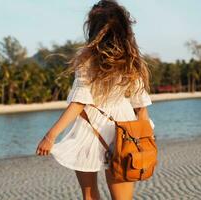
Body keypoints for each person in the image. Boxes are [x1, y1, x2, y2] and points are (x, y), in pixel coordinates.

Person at [35, 0, 155, 199]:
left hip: (89, 129)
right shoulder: (132, 59)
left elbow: (80, 101)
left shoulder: (86, 57)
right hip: (125, 129)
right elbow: (141, 107)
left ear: (94, 27)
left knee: (90, 195)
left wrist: (51, 135)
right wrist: (145, 142)